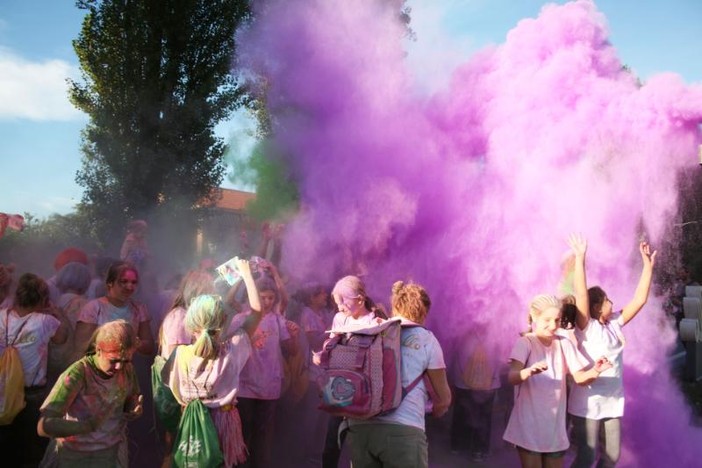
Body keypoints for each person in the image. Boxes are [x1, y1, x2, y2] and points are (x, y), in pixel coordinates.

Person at [164, 258, 262, 468]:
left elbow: (172, 389)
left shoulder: (180, 354)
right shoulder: (232, 350)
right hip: (223, 422)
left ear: (191, 323)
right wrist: (246, 276)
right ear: (221, 322)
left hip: (192, 423)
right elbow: (257, 312)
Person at [568, 239, 656, 468]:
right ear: (596, 307)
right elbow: (581, 294)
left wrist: (648, 266)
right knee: (586, 458)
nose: (612, 302)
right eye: (607, 300)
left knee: (612, 456)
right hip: (587, 402)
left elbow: (640, 299)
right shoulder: (587, 326)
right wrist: (580, 258)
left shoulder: (615, 323)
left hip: (613, 400)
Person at [346, 280, 452, 468]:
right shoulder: (426, 339)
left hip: (360, 429)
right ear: (424, 312)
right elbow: (444, 399)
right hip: (404, 432)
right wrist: (436, 409)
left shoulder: (372, 330)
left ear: (394, 306)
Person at [503, 290, 612, 468]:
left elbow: (579, 378)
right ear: (534, 316)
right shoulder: (525, 343)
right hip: (529, 425)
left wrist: (595, 371)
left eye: (557, 320)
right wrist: (528, 371)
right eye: (547, 320)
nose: (553, 325)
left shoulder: (563, 342)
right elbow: (512, 377)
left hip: (554, 428)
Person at [38, 320, 143, 467]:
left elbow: (131, 396)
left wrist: (132, 408)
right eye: (114, 360)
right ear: (98, 350)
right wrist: (87, 426)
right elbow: (44, 426)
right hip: (74, 456)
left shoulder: (127, 370)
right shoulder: (77, 374)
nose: (119, 367)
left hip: (109, 455)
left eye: (126, 360)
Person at [228, 261, 296, 468]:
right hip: (245, 386)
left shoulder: (278, 320)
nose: (266, 302)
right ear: (253, 294)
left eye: (270, 298)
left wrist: (293, 336)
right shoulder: (241, 318)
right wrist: (243, 276)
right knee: (243, 434)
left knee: (264, 437)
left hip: (269, 387)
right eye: (262, 297)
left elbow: (291, 351)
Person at [0, 273, 69, 467]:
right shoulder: (45, 321)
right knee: (30, 449)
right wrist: (57, 312)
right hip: (31, 395)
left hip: (1, 392)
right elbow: (62, 338)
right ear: (43, 299)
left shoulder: (0, 314)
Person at [321, 275, 386, 468]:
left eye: (343, 301)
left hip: (365, 389)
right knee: (332, 442)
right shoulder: (340, 319)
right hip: (338, 384)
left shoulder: (377, 322)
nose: (339, 307)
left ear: (360, 299)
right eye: (336, 302)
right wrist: (324, 354)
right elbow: (331, 348)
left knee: (361, 446)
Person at [74, 261, 154, 356]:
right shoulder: (93, 308)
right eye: (123, 281)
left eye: (133, 282)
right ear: (110, 283)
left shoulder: (139, 309)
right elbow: (81, 346)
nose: (129, 287)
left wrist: (136, 343)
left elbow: (149, 347)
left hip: (127, 366)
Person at [450, 322, 502, 463]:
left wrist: (493, 379)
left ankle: (479, 449)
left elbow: (499, 358)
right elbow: (456, 355)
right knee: (462, 414)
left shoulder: (497, 335)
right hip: (463, 384)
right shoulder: (462, 333)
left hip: (488, 384)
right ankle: (460, 445)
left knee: (484, 416)